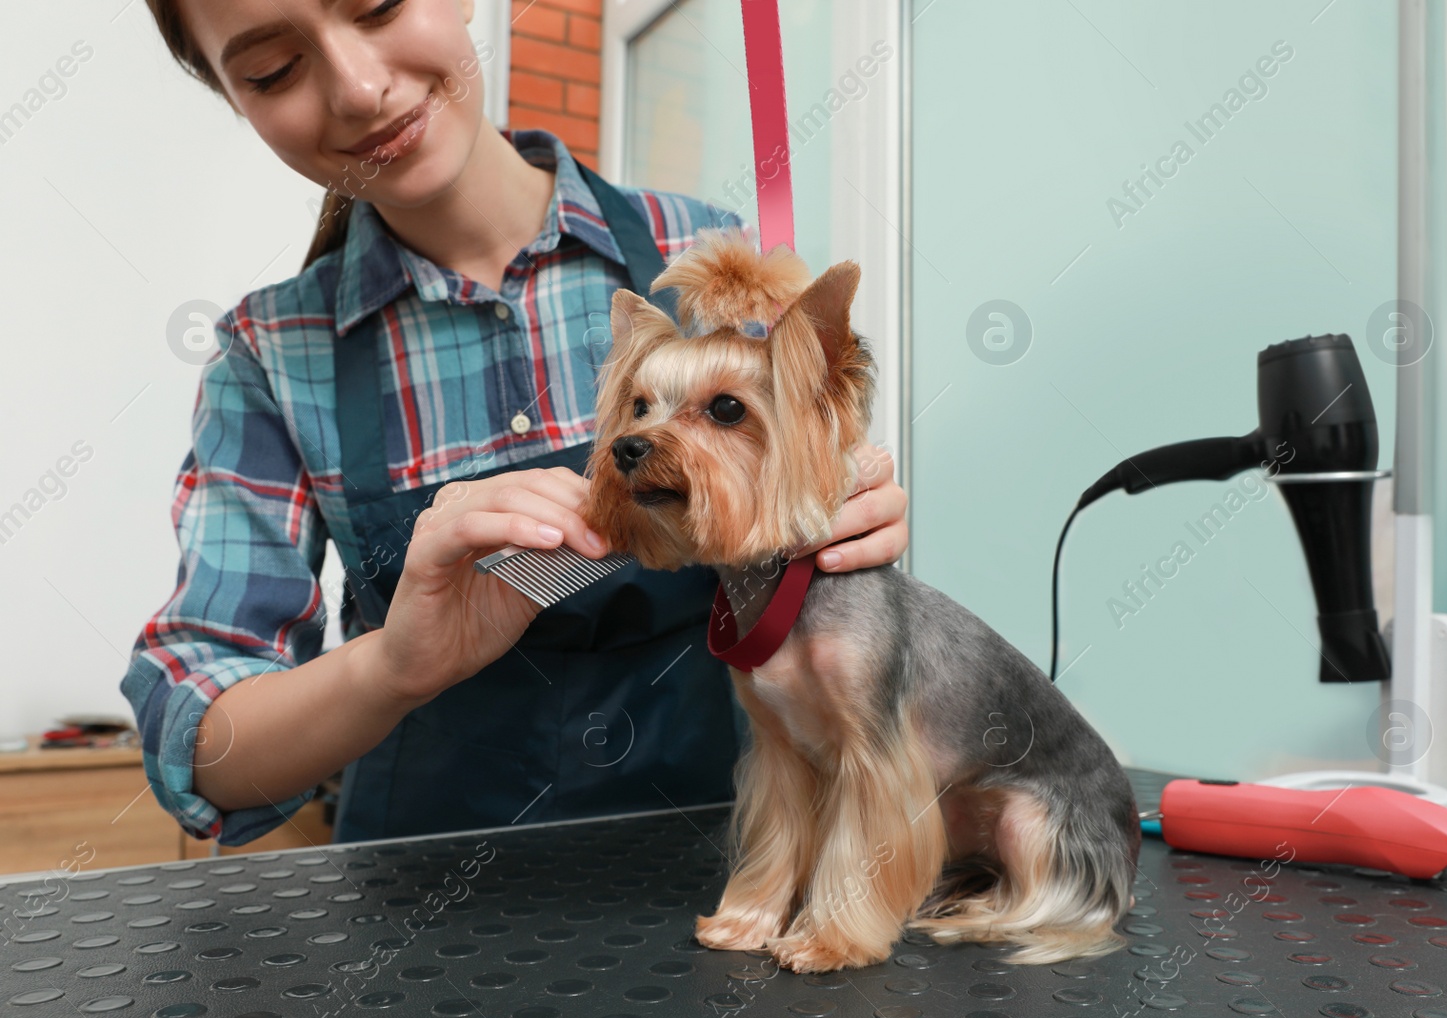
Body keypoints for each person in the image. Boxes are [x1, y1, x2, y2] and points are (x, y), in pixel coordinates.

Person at [124, 0, 908, 847]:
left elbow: (825, 568)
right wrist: (391, 668)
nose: (358, 88)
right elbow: (198, 745)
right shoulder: (273, 356)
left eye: (378, 6)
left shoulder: (714, 263)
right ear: (234, 98)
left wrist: (845, 520)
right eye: (273, 69)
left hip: (732, 873)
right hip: (424, 917)